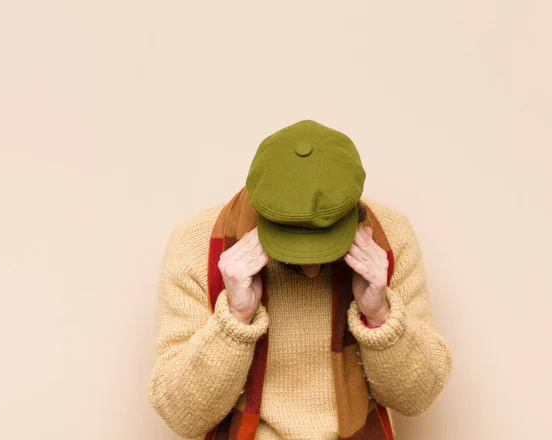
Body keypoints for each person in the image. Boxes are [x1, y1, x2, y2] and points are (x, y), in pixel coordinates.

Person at [148, 120, 452, 439]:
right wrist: (234, 320)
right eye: (291, 250)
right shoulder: (197, 244)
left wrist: (380, 315)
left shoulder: (389, 236)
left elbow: (418, 398)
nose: (311, 271)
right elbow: (180, 414)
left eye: (327, 248)